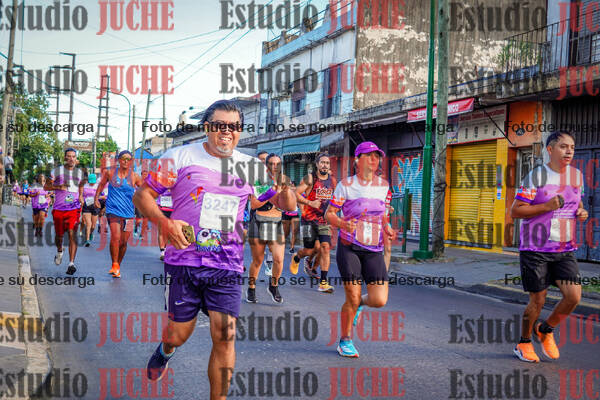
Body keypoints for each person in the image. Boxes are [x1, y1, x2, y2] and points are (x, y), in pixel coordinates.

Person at [133, 100, 296, 398]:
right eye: (220, 125)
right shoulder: (179, 156)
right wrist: (164, 224)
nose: (226, 132)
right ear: (207, 127)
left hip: (227, 264)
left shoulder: (250, 166)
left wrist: (285, 192)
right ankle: (166, 349)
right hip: (184, 261)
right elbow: (143, 195)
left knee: (225, 337)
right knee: (178, 334)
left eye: (234, 127)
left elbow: (272, 201)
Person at [510, 131, 588, 363]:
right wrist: (546, 206)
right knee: (538, 300)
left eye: (572, 147)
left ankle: (545, 329)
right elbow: (516, 211)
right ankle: (524, 342)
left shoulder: (577, 176)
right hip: (535, 249)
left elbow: (577, 203)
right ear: (550, 150)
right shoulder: (536, 176)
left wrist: (581, 211)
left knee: (573, 296)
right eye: (563, 146)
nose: (569, 151)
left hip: (564, 248)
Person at [325, 141, 395, 357]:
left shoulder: (384, 186)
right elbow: (329, 214)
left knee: (379, 300)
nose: (374, 159)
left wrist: (387, 226)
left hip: (374, 248)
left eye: (377, 156)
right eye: (369, 155)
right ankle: (345, 340)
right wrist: (343, 224)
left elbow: (383, 213)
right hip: (350, 247)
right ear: (357, 160)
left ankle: (359, 305)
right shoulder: (345, 185)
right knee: (352, 297)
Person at [246, 153, 290, 304]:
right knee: (257, 261)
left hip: (276, 223)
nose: (274, 167)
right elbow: (254, 205)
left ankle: (273, 286)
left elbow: (290, 205)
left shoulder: (285, 181)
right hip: (259, 222)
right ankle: (251, 288)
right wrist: (271, 192)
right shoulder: (259, 181)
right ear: (266, 165)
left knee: (279, 259)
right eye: (271, 163)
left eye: (278, 164)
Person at [289, 153, 336, 293]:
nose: (325, 165)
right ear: (317, 164)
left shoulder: (332, 181)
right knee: (309, 250)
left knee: (325, 247)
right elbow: (295, 193)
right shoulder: (310, 178)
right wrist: (310, 203)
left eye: (327, 163)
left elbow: (336, 198)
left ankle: (323, 283)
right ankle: (297, 257)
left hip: (324, 220)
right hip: (308, 220)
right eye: (322, 162)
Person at [94, 150, 142, 279]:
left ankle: (118, 266)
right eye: (123, 158)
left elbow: (144, 190)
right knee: (115, 237)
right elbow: (101, 185)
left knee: (123, 242)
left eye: (128, 159)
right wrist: (96, 198)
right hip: (113, 210)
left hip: (129, 213)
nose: (126, 161)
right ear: (118, 160)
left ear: (131, 162)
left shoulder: (135, 176)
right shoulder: (110, 173)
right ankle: (114, 264)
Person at [45, 148, 86, 275]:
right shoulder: (56, 171)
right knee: (59, 236)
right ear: (65, 158)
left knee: (72, 234)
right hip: (59, 208)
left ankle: (71, 263)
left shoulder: (80, 173)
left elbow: (81, 185)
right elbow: (46, 187)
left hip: (74, 208)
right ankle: (59, 251)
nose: (71, 159)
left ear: (76, 158)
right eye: (69, 156)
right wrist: (59, 186)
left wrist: (80, 196)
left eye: (73, 156)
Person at [80, 173, 100, 247]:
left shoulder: (98, 186)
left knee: (93, 226)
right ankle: (87, 240)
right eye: (91, 181)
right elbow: (81, 195)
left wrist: (97, 199)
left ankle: (91, 233)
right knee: (89, 224)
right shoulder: (84, 186)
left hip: (95, 206)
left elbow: (102, 195)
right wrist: (82, 201)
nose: (92, 183)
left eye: (93, 182)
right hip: (86, 206)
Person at [157, 189, 174, 261]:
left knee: (171, 232)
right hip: (162, 209)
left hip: (173, 210)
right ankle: (162, 252)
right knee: (161, 231)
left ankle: (168, 250)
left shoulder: (176, 185)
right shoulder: (160, 185)